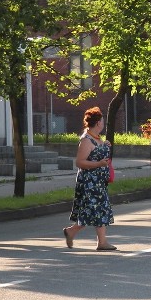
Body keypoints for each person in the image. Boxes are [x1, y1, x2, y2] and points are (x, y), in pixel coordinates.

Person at [63, 107, 117, 250]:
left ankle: (99, 241)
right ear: (98, 122)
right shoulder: (86, 140)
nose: (103, 123)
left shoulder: (97, 139)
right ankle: (75, 233)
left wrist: (105, 145)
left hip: (98, 182)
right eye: (102, 121)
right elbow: (80, 162)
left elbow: (97, 153)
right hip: (89, 182)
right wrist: (99, 164)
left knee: (98, 210)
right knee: (92, 210)